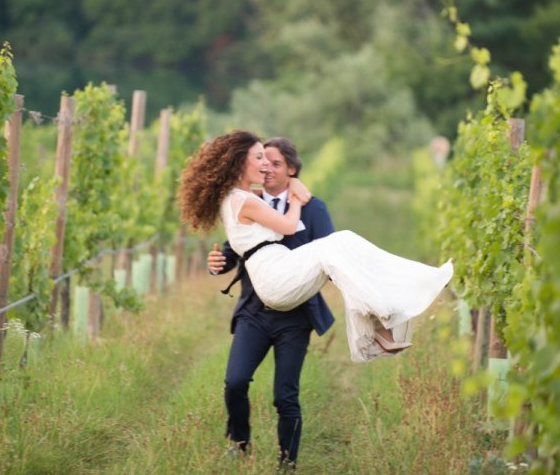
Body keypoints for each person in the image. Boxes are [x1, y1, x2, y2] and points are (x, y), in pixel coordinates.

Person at [177, 130, 452, 365]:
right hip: (274, 278)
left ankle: (380, 325)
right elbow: (286, 225)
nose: (264, 165)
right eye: (259, 158)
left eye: (268, 159)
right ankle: (385, 316)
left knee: (341, 244)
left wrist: (293, 183)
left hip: (278, 271)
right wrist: (296, 197)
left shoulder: (244, 197)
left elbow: (271, 199)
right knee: (336, 244)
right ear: (240, 162)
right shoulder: (243, 200)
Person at [206, 137, 335, 470]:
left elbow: (329, 255)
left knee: (285, 396)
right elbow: (235, 250)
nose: (267, 168)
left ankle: (287, 462)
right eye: (264, 161)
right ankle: (239, 441)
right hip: (254, 312)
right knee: (235, 382)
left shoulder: (313, 208)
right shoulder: (249, 202)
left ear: (292, 170)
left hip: (295, 317)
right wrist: (217, 262)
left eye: (277, 164)